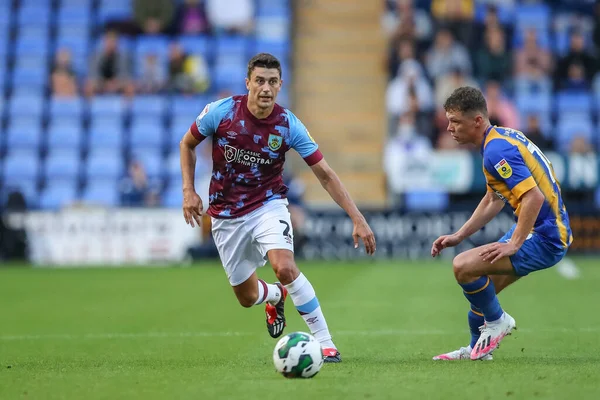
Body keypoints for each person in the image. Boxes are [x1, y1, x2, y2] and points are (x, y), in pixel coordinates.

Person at [179, 53, 376, 363]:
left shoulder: (287, 124)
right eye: (259, 81)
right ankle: (274, 295)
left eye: (272, 82)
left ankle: (325, 342)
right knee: (246, 298)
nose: (266, 88)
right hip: (225, 215)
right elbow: (187, 143)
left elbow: (325, 174)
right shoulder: (222, 112)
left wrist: (357, 217)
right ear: (248, 83)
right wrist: (188, 190)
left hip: (268, 205)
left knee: (284, 267)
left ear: (280, 85)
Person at [431, 86, 572, 361]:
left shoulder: (495, 151)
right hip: (539, 230)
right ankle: (478, 349)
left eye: (455, 121)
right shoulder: (498, 141)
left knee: (462, 266)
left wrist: (514, 243)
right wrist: (459, 235)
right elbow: (493, 199)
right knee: (484, 294)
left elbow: (534, 196)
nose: (449, 128)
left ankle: (498, 323)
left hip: (545, 236)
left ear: (477, 121)